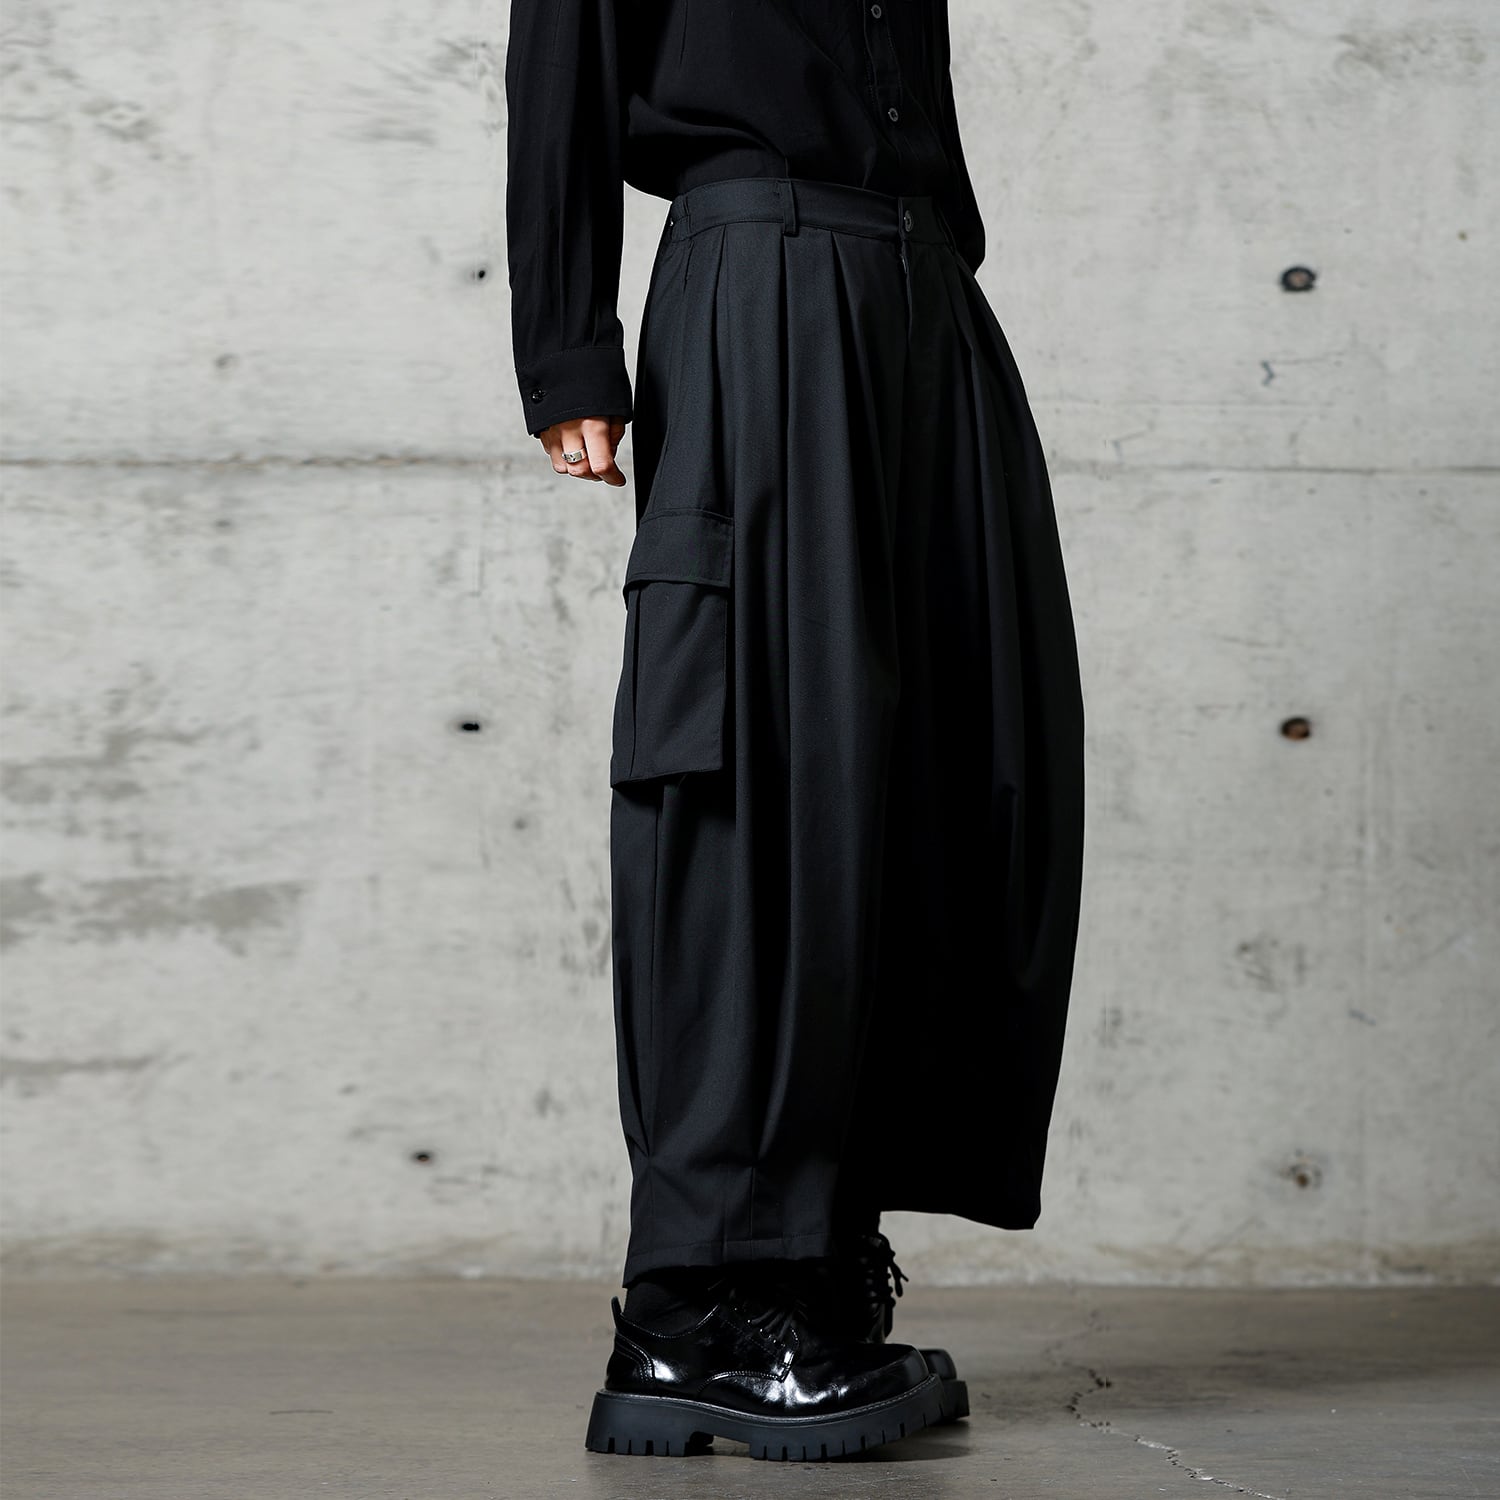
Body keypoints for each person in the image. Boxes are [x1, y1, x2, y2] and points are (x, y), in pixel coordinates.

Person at [505, 0, 1086, 1463]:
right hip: (763, 275)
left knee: (947, 768)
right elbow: (562, 52)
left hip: (919, 284)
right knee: (764, 767)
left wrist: (936, 265)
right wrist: (567, 348)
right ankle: (702, 1303)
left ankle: (817, 1252)